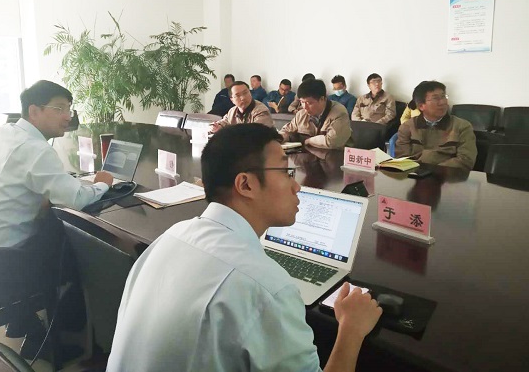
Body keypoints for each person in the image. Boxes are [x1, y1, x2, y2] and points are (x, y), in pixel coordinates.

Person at [107, 124, 382, 372]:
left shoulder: (170, 237)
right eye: (286, 172)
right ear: (246, 184)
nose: (296, 187)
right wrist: (352, 329)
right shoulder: (266, 287)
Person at [0, 80, 113, 281]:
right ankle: (72, 299)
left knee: (53, 218)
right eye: (59, 109)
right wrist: (102, 183)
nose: (68, 116)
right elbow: (76, 199)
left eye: (69, 109)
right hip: (2, 262)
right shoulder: (35, 148)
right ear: (34, 111)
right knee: (77, 243)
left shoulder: (4, 132)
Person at [395, 80, 477, 170]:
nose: (443, 102)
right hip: (414, 174)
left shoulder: (462, 126)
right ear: (421, 106)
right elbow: (402, 158)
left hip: (449, 175)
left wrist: (434, 170)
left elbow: (466, 160)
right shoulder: (407, 127)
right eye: (436, 98)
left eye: (443, 96)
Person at [279, 79, 353, 149]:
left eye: (309, 103)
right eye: (302, 102)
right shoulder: (301, 114)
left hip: (335, 155)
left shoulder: (339, 113)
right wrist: (279, 138)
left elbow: (331, 141)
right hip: (308, 156)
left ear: (322, 99)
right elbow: (287, 131)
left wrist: (309, 141)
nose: (305, 107)